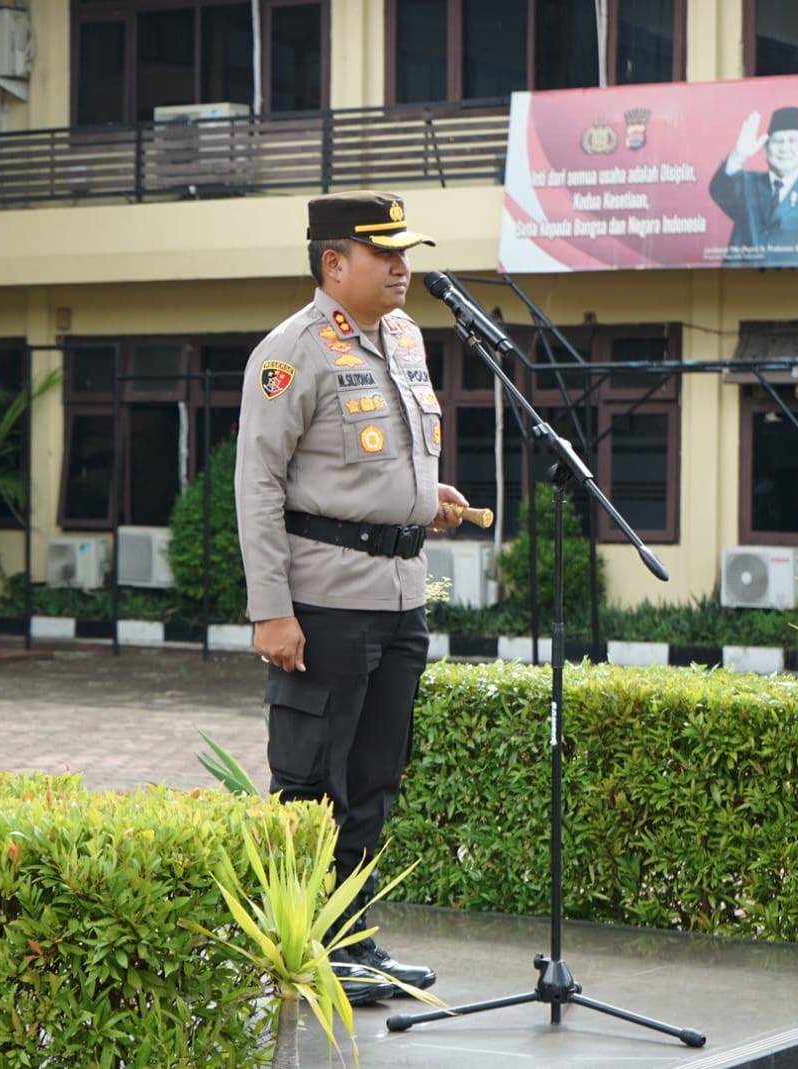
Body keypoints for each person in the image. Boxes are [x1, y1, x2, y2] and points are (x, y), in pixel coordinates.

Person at [234, 190, 469, 1005]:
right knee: (312, 781)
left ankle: (354, 940)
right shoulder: (290, 351)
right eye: (385, 253)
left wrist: (422, 497)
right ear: (334, 263)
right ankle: (303, 944)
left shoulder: (403, 337)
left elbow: (374, 460)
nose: (403, 267)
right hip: (325, 601)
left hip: (400, 594)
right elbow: (258, 484)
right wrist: (272, 609)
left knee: (373, 779)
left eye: (406, 253)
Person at [708, 105, 798, 268]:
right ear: (765, 148)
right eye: (778, 140)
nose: (785, 148)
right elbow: (719, 190)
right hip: (739, 282)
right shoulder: (747, 184)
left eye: (792, 140)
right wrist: (739, 155)